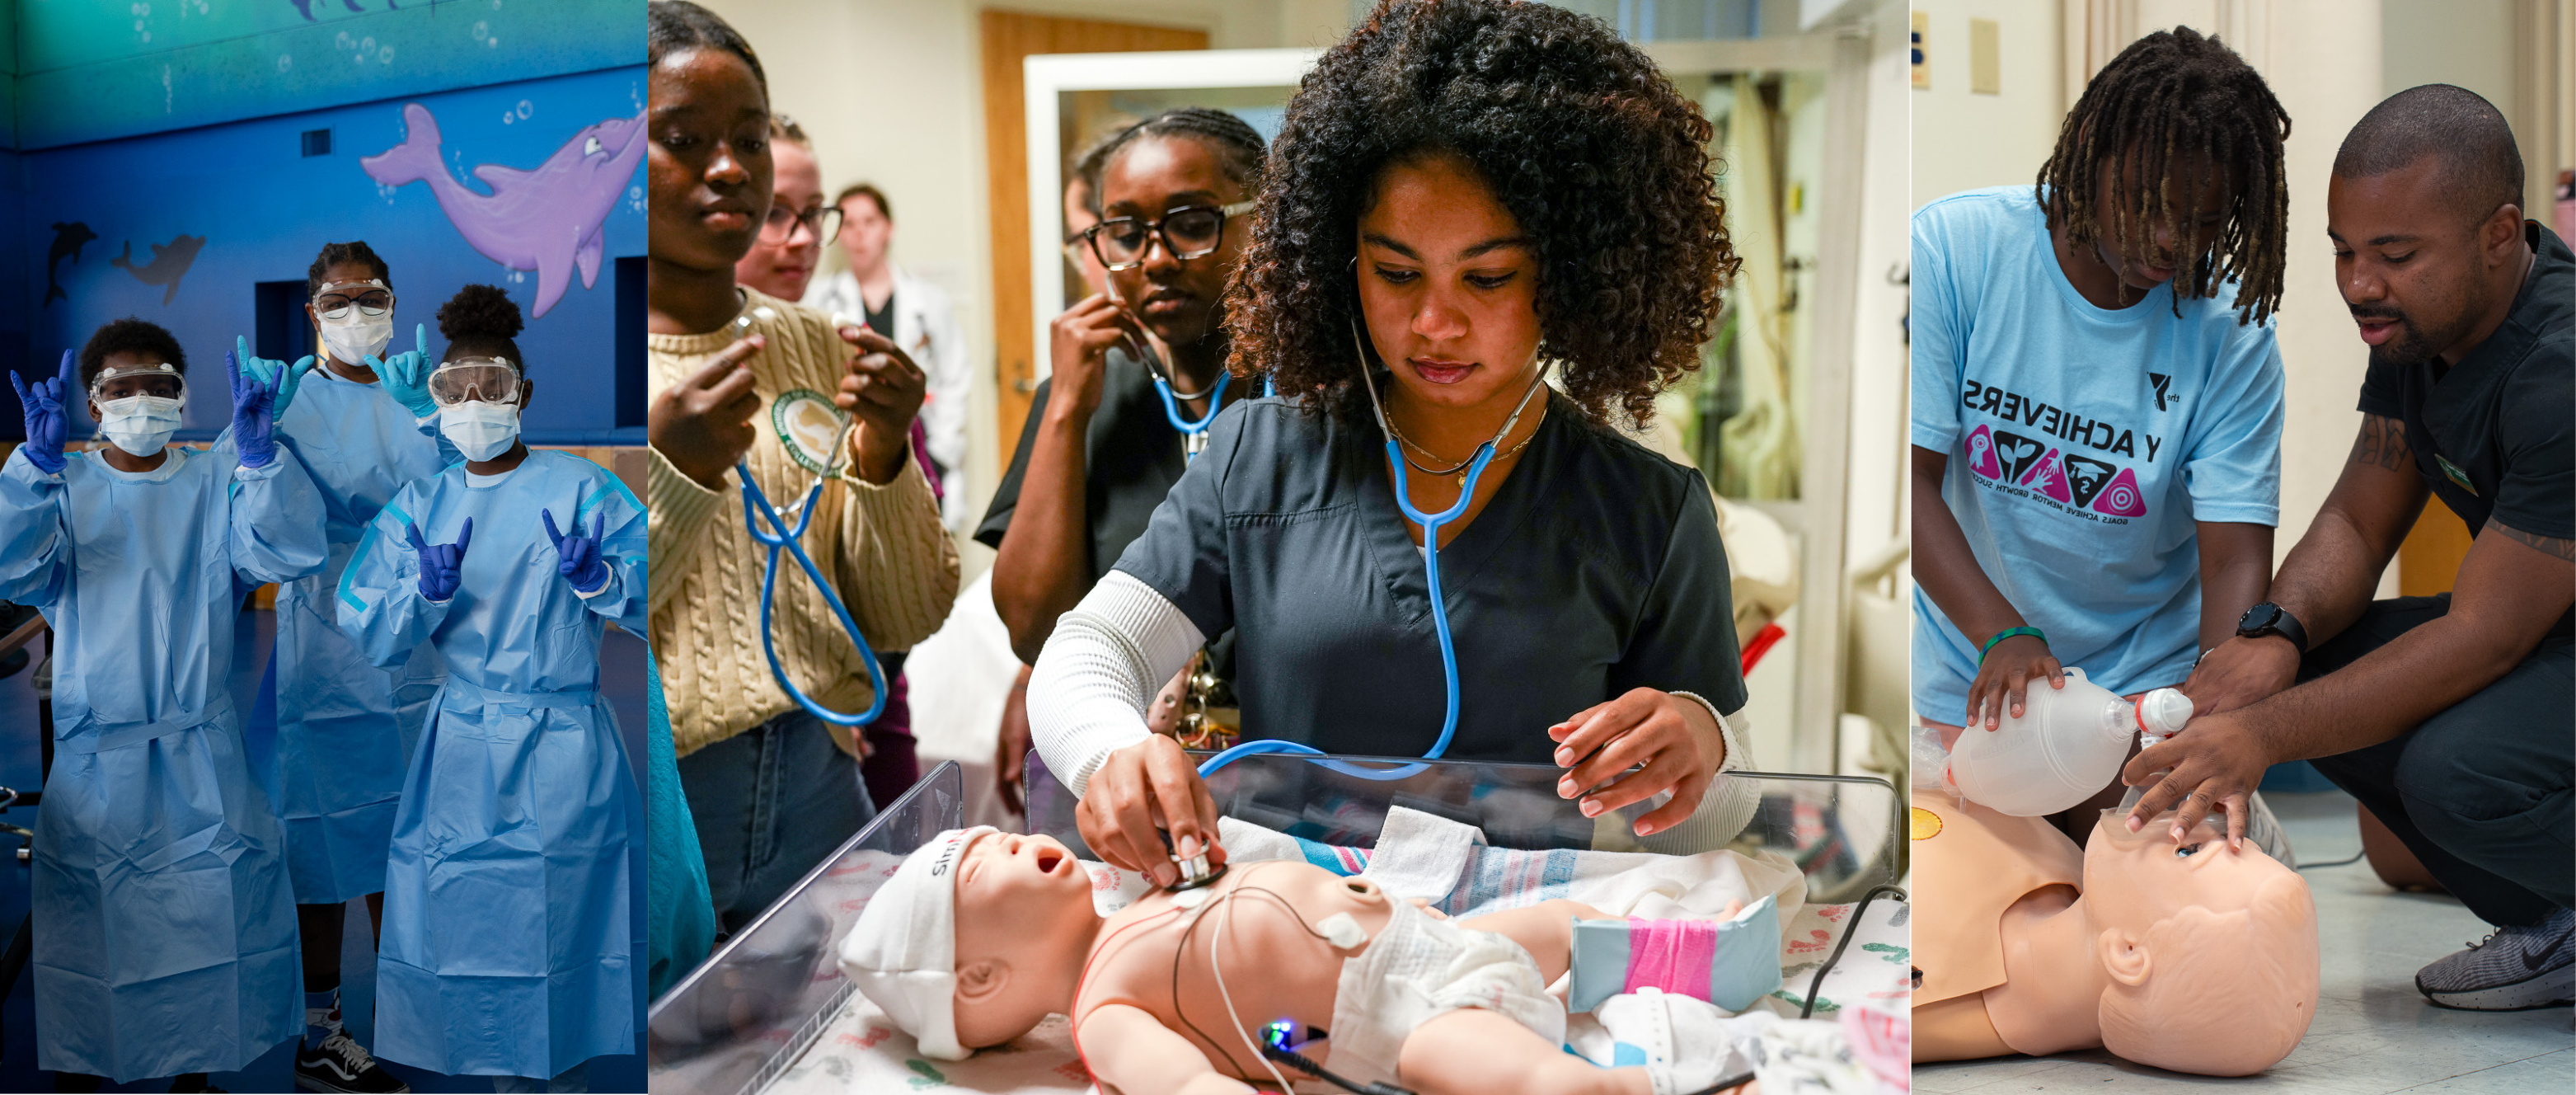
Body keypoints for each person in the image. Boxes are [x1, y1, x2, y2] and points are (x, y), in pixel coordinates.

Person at [1028, 0, 1753, 887]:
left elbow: (1713, 814)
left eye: (1486, 277)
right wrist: (1111, 750)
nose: (1433, 321)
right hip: (1291, 935)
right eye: (1395, 271)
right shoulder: (1262, 456)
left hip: (1517, 952)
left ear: (1571, 276)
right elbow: (1088, 651)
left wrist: (1699, 739)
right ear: (1340, 258)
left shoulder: (1646, 509)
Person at [2126, 84, 2573, 1011]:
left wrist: (2257, 733)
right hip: (2548, 632)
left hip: (2528, 629)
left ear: (2497, 235)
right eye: (2342, 251)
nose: (2358, 284)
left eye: (2394, 255)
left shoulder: (2557, 373)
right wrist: (2269, 634)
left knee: (2456, 773)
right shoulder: (2418, 322)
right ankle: (2558, 925)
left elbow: (2484, 635)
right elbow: (2359, 518)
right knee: (2305, 667)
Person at [1910, 27, 2291, 840]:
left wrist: (2205, 711)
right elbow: (1904, 483)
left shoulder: (2229, 328)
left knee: (2201, 909)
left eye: (2201, 223)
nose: (2171, 243)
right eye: (2150, 205)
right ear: (2089, 144)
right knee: (1984, 929)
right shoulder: (1956, 249)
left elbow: (2232, 555)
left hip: (2135, 693)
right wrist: (2001, 632)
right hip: (1974, 684)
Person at [646, 0, 960, 933]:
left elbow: (906, 611)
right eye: (682, 137)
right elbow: (562, 635)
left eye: (748, 137)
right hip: (660, 796)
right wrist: (679, 475)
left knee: (835, 1055)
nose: (731, 166)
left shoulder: (817, 349)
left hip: (820, 778)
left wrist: (880, 452)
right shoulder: (575, 363)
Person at [337, 284, 645, 1091]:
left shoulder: (584, 491)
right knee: (473, 927)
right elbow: (369, 623)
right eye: (455, 389)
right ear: (434, 401)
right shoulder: (420, 506)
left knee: (561, 934)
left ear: (523, 394)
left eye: (492, 387)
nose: (474, 404)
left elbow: (661, 598)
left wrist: (599, 574)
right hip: (462, 751)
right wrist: (422, 596)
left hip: (563, 746)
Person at [2, 322, 321, 1092]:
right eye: (119, 386)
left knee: (204, 928)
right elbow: (14, 567)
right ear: (91, 401)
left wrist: (260, 461)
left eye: (159, 384)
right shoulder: (66, 487)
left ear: (184, 395)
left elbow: (283, 554)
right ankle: (85, 1071)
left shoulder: (213, 481)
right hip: (98, 758)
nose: (139, 399)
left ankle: (194, 1075)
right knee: (94, 938)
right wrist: (31, 471)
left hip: (197, 753)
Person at [840, 827, 1758, 1095]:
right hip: (1399, 1022)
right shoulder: (1103, 1010)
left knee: (1560, 922)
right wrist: (1299, 1049)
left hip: (1428, 940)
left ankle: (1691, 953)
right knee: (1507, 1073)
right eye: (981, 861)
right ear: (977, 978)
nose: (1009, 835)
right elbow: (1189, 1086)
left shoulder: (1137, 889)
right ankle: (1631, 1086)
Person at [982, 110, 1262, 811]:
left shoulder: (1312, 395)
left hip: (1290, 776)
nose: (1156, 259)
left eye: (1193, 222)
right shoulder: (1087, 396)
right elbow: (1033, 630)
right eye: (1125, 235)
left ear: (1267, 221)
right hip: (1126, 773)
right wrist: (1066, 409)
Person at [227, 240, 444, 1095]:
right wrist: (261, 448)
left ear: (395, 302)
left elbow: (463, 501)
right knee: (323, 839)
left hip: (424, 648)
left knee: (412, 834)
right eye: (340, 299)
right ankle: (323, 1030)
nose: (359, 312)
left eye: (373, 295)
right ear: (312, 312)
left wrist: (437, 421)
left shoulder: (425, 396)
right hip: (327, 647)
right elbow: (269, 540)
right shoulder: (288, 405)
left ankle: (410, 1010)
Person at [1910, 787, 2320, 1074]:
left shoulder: (1919, 994)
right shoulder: (2069, 867)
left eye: (2188, 851)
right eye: (2232, 835)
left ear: (2127, 953)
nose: (2194, 823)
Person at [992, 134, 1123, 815]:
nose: (1103, 264)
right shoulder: (1071, 394)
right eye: (1088, 242)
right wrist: (1027, 684)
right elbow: (1038, 619)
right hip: (1104, 744)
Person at [805, 181, 973, 528]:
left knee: (924, 545)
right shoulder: (819, 300)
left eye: (870, 222)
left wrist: (942, 452)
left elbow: (956, 376)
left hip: (924, 441)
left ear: (889, 228)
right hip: (851, 442)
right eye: (848, 224)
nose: (859, 234)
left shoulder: (929, 301)